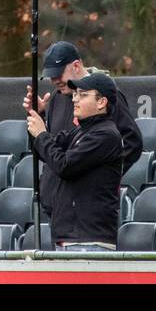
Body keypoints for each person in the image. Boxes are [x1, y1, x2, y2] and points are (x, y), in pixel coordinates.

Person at [21, 41, 142, 220]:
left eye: (58, 73)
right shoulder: (56, 98)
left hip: (86, 208)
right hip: (55, 205)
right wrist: (38, 116)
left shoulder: (104, 95)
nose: (54, 80)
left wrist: (101, 177)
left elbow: (132, 142)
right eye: (50, 76)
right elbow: (47, 149)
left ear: (76, 66)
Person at [27, 73, 125, 250]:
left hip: (89, 242)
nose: (75, 99)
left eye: (83, 95)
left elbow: (64, 166)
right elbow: (43, 151)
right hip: (69, 239)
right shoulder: (82, 131)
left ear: (102, 102)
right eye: (75, 94)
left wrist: (41, 134)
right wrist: (38, 115)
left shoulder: (105, 135)